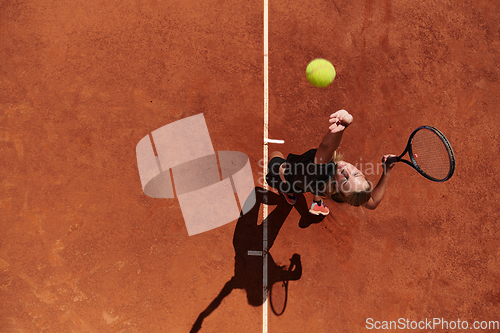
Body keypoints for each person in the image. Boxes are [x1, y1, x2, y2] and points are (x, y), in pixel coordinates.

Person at [265, 109, 395, 215]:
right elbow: (373, 202)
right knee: (316, 187)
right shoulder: (347, 195)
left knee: (275, 155)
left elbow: (327, 147)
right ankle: (317, 201)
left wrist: (343, 126)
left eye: (345, 180)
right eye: (355, 174)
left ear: (339, 188)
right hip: (310, 184)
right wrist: (387, 171)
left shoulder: (323, 172)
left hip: (286, 177)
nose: (346, 170)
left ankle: (289, 192)